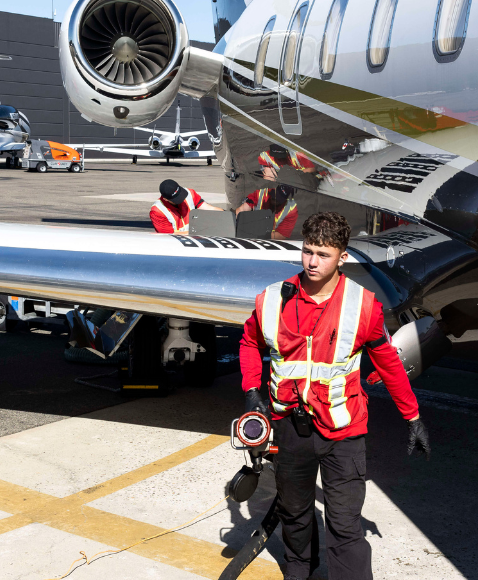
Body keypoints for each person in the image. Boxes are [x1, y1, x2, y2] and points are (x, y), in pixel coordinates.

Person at [239, 212, 429, 580]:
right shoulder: (272, 299)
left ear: (342, 257)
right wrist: (251, 390)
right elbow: (248, 342)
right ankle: (300, 570)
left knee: (344, 523)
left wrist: (413, 416)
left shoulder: (363, 306)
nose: (312, 262)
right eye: (307, 251)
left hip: (343, 431)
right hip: (289, 428)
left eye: (323, 255)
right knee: (294, 512)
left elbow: (388, 363)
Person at [150, 178, 222, 234]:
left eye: (180, 194)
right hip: (175, 244)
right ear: (165, 199)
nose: (182, 199)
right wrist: (199, 232)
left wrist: (224, 214)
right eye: (177, 199)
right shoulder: (158, 211)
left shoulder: (190, 193)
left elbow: (208, 208)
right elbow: (170, 236)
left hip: (195, 238)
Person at [235, 183, 299, 239]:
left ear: (284, 200)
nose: (273, 199)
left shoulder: (291, 210)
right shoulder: (263, 194)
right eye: (273, 196)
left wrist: (259, 236)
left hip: (268, 240)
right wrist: (234, 222)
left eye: (277, 199)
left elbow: (281, 235)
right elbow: (242, 209)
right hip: (248, 230)